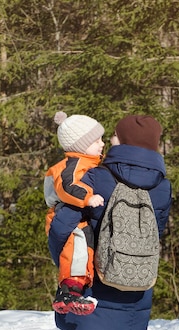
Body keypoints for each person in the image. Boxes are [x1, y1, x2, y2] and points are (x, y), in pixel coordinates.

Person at [48, 115, 172, 330]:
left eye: (115, 136)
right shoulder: (163, 185)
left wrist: (63, 263)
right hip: (136, 283)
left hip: (91, 288)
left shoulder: (97, 176)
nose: (110, 142)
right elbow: (159, 229)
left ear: (126, 141)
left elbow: (63, 226)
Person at [44, 111, 106, 316]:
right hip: (67, 214)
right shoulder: (73, 164)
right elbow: (67, 187)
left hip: (77, 217)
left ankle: (76, 291)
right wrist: (88, 197)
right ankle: (68, 291)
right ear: (81, 145)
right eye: (97, 140)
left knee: (85, 250)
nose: (102, 144)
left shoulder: (87, 162)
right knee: (76, 249)